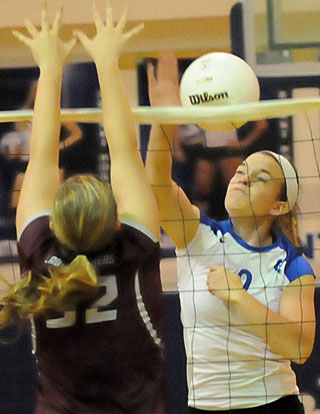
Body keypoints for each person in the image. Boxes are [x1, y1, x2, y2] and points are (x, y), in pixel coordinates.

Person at [0, 4, 168, 414]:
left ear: (54, 223)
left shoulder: (40, 252)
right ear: (115, 220)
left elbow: (38, 155)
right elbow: (125, 149)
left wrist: (49, 67)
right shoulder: (134, 248)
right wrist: (108, 64)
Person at [146, 51, 315, 413]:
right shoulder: (198, 235)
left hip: (272, 404)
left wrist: (238, 297)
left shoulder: (292, 265)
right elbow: (156, 184)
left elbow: (299, 348)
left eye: (260, 178)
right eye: (242, 171)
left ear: (279, 206)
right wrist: (163, 117)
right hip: (205, 406)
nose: (243, 177)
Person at [0, 79, 83, 208]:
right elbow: (19, 140)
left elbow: (77, 134)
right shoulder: (23, 114)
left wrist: (61, 146)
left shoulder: (57, 112)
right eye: (38, 91)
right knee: (17, 202)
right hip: (26, 161)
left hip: (51, 159)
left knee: (54, 202)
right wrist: (15, 151)